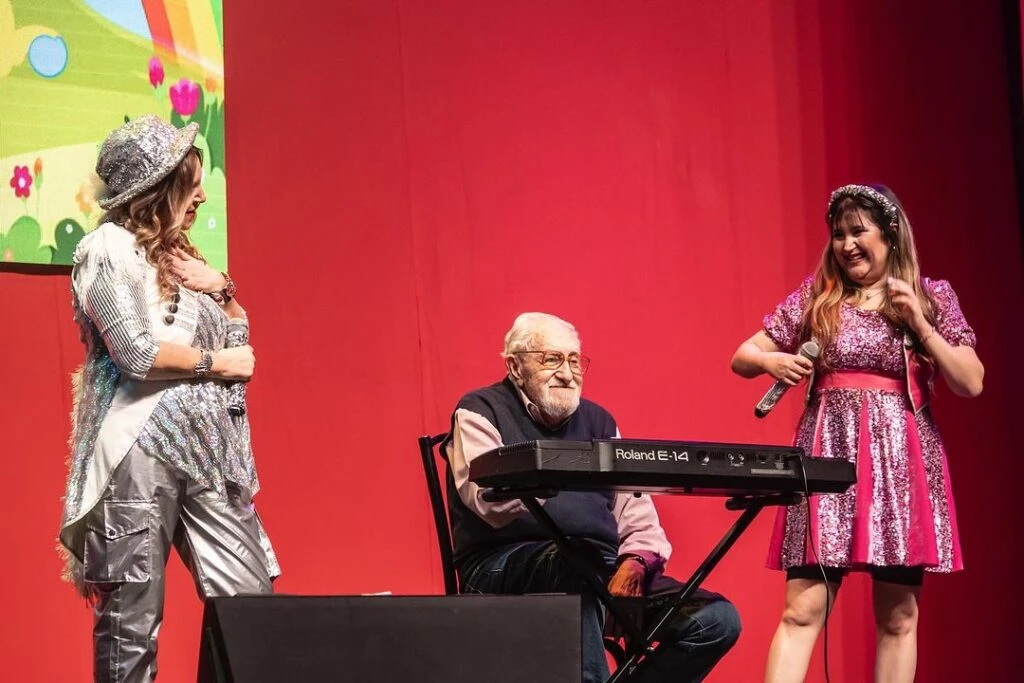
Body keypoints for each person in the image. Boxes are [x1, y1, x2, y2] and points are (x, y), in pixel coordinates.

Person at [730, 184, 983, 683]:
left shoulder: (931, 296)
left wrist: (921, 325)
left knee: (898, 616)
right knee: (801, 610)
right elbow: (742, 356)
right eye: (838, 234)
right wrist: (771, 361)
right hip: (828, 455)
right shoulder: (818, 297)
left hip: (901, 461)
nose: (846, 244)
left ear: (890, 235)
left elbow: (971, 381)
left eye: (858, 231)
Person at [57, 115, 279, 683]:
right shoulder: (106, 248)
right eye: (191, 183)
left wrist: (221, 289)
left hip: (209, 450)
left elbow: (239, 346)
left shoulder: (182, 256)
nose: (202, 195)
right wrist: (214, 363)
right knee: (130, 625)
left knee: (252, 606)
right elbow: (135, 352)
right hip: (138, 449)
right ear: (157, 187)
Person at [445, 312, 741, 683]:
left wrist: (636, 561)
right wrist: (549, 471)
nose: (567, 374)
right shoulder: (480, 410)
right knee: (576, 561)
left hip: (595, 569)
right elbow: (487, 501)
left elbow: (636, 513)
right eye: (552, 359)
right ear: (515, 367)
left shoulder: (599, 422)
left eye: (574, 361)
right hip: (501, 568)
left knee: (715, 620)